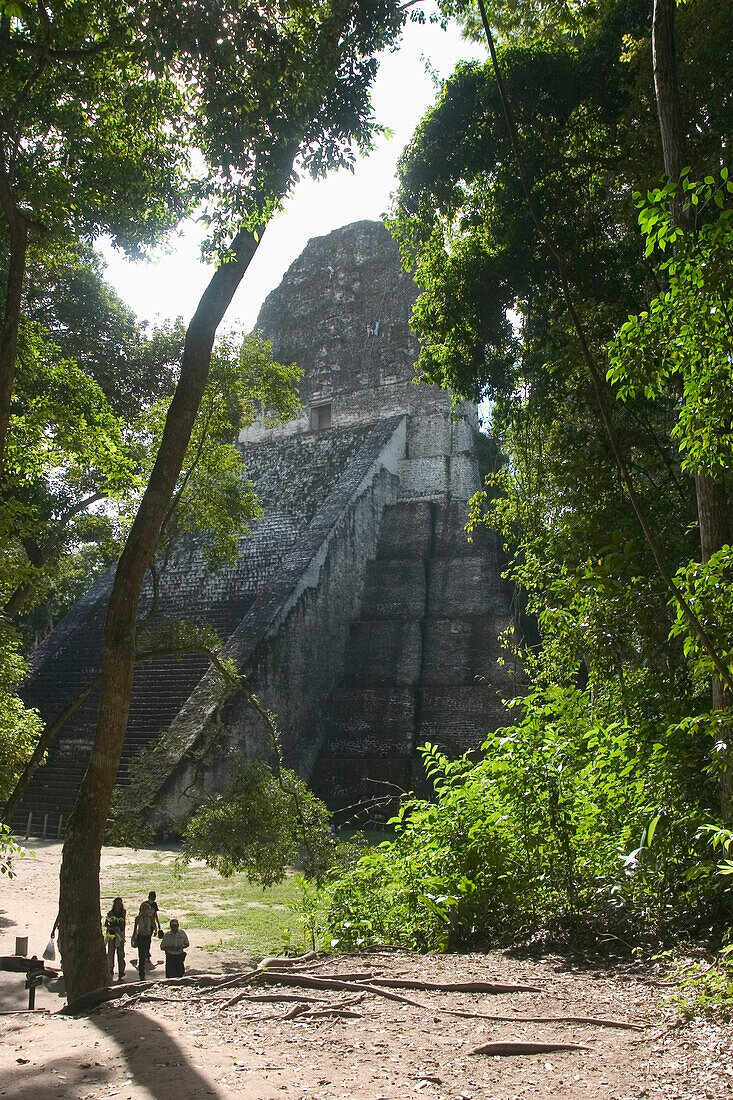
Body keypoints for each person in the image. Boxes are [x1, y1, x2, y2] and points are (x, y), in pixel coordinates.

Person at [103, 898, 126, 981]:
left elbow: (124, 923)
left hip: (119, 934)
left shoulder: (123, 912)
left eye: (120, 903)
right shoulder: (110, 913)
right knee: (111, 953)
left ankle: (121, 971)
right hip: (112, 934)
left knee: (120, 953)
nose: (118, 905)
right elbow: (106, 924)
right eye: (117, 903)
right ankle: (110, 969)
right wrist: (113, 927)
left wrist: (123, 934)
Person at [131, 900, 154, 979]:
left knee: (146, 950)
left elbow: (153, 926)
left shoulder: (150, 917)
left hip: (147, 936)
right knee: (141, 953)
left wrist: (154, 931)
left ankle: (144, 962)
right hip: (140, 936)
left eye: (146, 909)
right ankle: (141, 970)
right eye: (143, 909)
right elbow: (135, 928)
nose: (144, 911)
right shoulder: (138, 918)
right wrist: (133, 937)